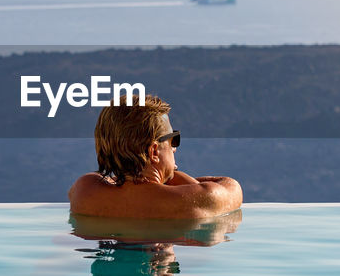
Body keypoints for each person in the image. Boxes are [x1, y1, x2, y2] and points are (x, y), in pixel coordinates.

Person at [68, 93, 242, 219]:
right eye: (173, 140)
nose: (174, 149)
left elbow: (123, 187)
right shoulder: (191, 200)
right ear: (153, 152)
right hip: (156, 264)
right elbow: (233, 189)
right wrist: (171, 176)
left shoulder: (84, 191)